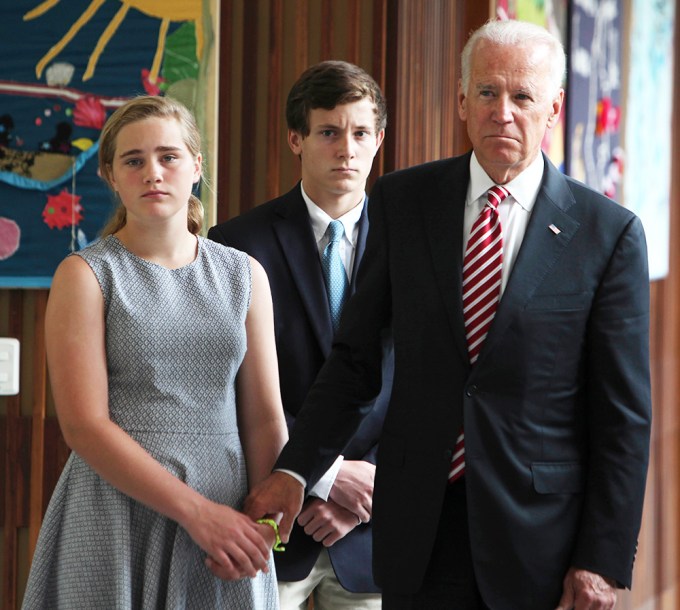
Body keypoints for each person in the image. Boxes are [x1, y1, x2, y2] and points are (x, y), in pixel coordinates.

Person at [244, 19, 652, 610]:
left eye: (523, 96)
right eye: (487, 92)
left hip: (539, 540)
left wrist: (602, 561)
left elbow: (623, 419)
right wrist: (294, 471)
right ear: (462, 100)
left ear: (555, 108)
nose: (502, 112)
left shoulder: (607, 234)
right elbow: (355, 362)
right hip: (417, 532)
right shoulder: (404, 202)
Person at [22, 95, 288, 609]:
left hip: (228, 517)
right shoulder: (86, 275)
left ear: (195, 167)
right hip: (116, 513)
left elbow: (263, 418)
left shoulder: (244, 274)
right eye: (133, 160)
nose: (153, 173)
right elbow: (84, 426)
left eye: (168, 156)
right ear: (111, 176)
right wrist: (195, 513)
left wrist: (263, 524)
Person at [208, 60, 391, 610]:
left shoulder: (412, 242)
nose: (347, 149)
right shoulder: (236, 243)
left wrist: (369, 487)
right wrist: (325, 477)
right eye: (329, 132)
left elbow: (426, 377)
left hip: (375, 525)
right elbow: (233, 387)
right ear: (296, 138)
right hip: (273, 523)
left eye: (361, 133)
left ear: (379, 140)